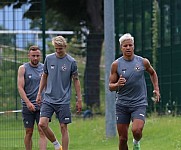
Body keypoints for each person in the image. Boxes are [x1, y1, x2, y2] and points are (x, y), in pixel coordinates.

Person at [109, 33, 160, 150]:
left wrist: (156, 88)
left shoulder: (142, 62)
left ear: (133, 46)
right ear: (121, 47)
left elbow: (152, 73)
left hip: (139, 103)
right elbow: (110, 87)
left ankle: (136, 142)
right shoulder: (116, 65)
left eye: (130, 45)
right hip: (122, 104)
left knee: (136, 130)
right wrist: (117, 84)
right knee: (122, 139)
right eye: (125, 46)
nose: (128, 48)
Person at [36, 35, 82, 150]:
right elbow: (44, 76)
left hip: (63, 100)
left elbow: (76, 80)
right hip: (48, 98)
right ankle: (57, 145)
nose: (58, 50)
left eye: (60, 48)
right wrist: (39, 93)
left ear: (65, 47)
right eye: (56, 48)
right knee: (42, 124)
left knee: (63, 127)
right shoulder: (49, 58)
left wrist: (79, 99)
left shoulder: (71, 62)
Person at [17, 46, 47, 150]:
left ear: (40, 56)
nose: (35, 58)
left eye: (37, 56)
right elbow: (20, 87)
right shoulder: (23, 68)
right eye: (33, 56)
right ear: (28, 55)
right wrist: (28, 103)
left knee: (42, 130)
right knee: (29, 132)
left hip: (42, 105)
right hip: (27, 106)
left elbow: (48, 86)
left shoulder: (44, 68)